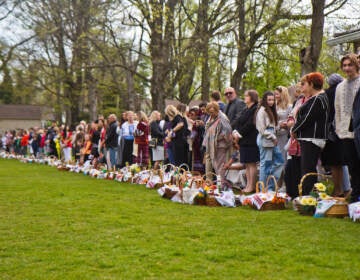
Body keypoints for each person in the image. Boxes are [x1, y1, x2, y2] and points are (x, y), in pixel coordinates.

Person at [292, 72, 329, 195]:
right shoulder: (316, 98)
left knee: (307, 169)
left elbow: (307, 118)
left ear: (311, 84)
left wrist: (294, 129)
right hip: (309, 138)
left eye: (304, 84)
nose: (302, 87)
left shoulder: (318, 98)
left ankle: (308, 197)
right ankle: (312, 195)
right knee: (309, 168)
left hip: (312, 138)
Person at [335, 53, 360, 202]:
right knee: (352, 165)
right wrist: (339, 129)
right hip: (345, 132)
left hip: (358, 129)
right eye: (344, 65)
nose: (347, 68)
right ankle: (355, 194)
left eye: (349, 65)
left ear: (356, 65)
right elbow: (337, 109)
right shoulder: (340, 87)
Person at [321, 74, 347, 197]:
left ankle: (338, 189)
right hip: (341, 131)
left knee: (334, 163)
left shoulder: (326, 94)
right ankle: (341, 189)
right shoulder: (343, 92)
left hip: (330, 132)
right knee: (339, 164)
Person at [256, 91, 284, 191]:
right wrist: (273, 136)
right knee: (265, 164)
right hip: (266, 138)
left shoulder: (271, 110)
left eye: (272, 100)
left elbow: (272, 126)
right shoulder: (262, 111)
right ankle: (263, 188)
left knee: (279, 161)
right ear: (265, 100)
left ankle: (270, 186)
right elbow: (262, 129)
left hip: (271, 137)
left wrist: (279, 126)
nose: (271, 102)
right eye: (269, 100)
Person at [232, 89, 260, 193]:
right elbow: (239, 121)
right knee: (247, 164)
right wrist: (235, 131)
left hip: (251, 139)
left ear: (252, 97)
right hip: (243, 140)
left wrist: (239, 134)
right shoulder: (245, 109)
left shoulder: (255, 109)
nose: (244, 97)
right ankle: (248, 185)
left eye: (246, 96)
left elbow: (250, 124)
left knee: (252, 163)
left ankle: (252, 186)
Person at [203, 101, 232, 185]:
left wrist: (218, 138)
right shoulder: (211, 117)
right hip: (211, 144)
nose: (210, 114)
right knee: (214, 165)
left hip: (220, 145)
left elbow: (227, 132)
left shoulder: (223, 118)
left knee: (219, 166)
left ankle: (221, 184)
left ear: (216, 110)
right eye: (209, 112)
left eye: (212, 112)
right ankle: (210, 182)